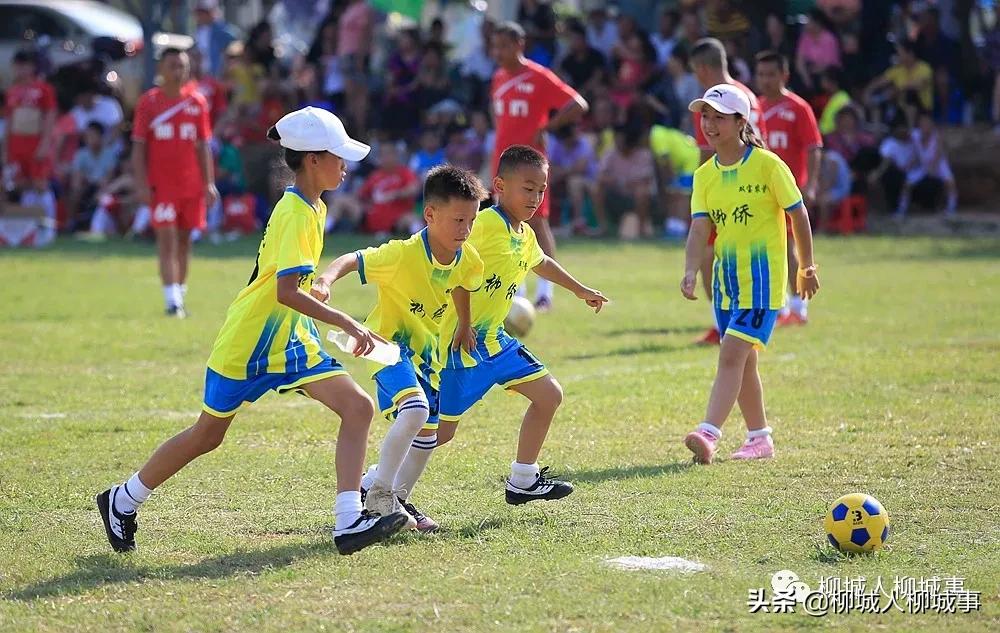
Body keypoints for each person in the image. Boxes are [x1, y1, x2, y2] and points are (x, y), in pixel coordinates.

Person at [96, 107, 409, 556]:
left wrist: (316, 288)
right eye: (338, 156)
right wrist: (345, 320)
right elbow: (283, 291)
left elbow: (290, 285)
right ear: (312, 159)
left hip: (291, 339)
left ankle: (347, 522)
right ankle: (122, 499)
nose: (345, 164)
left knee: (357, 408)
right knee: (208, 434)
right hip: (251, 341)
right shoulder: (297, 213)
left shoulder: (313, 206)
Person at [366, 145, 608, 529]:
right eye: (527, 188)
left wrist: (579, 289)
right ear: (499, 186)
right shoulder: (483, 225)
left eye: (541, 190)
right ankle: (379, 485)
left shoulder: (523, 233)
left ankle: (523, 479)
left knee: (549, 395)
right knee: (438, 434)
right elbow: (444, 241)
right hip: (462, 347)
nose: (535, 198)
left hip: (497, 341)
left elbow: (540, 261)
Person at [310, 166, 486, 531]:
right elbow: (353, 259)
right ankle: (380, 496)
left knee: (429, 433)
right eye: (458, 220)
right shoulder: (402, 254)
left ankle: (392, 496)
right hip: (385, 346)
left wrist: (465, 325)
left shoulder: (467, 257)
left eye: (472, 220)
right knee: (416, 410)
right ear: (430, 214)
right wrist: (326, 279)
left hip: (427, 355)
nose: (465, 230)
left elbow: (461, 285)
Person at [680, 84, 819, 463]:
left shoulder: (768, 165)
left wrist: (806, 266)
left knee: (730, 356)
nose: (709, 124)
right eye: (705, 116)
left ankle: (708, 433)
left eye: (718, 117)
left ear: (742, 122)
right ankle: (760, 438)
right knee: (744, 362)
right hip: (727, 284)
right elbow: (698, 229)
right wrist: (691, 269)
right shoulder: (705, 175)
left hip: (763, 284)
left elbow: (798, 214)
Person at [490, 21, 589, 312]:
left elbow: (578, 104)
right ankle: (515, 289)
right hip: (503, 163)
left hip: (531, 164)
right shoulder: (497, 78)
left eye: (504, 46)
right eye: (495, 46)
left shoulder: (538, 76)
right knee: (506, 224)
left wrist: (549, 126)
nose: (498, 52)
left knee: (536, 222)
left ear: (520, 45)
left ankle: (546, 292)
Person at [689, 38, 767, 345]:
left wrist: (700, 189)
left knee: (711, 255)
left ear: (703, 68)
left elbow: (706, 153)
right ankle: (740, 321)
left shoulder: (713, 105)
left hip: (726, 188)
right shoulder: (748, 96)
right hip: (754, 186)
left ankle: (722, 324)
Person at [132, 48, 218, 318]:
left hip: (191, 186)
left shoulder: (197, 102)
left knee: (184, 242)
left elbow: (203, 146)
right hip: (162, 186)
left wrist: (209, 183)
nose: (178, 71)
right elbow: (138, 148)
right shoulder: (149, 103)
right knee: (166, 239)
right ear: (161, 69)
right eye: (173, 66)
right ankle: (171, 302)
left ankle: (180, 295)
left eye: (182, 65)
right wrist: (141, 183)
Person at [755, 51, 823, 327]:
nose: (765, 80)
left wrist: (811, 183)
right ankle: (780, 305)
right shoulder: (754, 107)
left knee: (790, 246)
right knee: (767, 249)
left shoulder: (798, 108)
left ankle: (798, 306)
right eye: (760, 74)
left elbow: (813, 147)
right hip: (760, 191)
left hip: (790, 189)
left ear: (784, 75)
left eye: (771, 74)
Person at [4, 50, 56, 191]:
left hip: (35, 141)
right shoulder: (12, 91)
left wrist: (45, 143)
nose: (20, 70)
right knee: (16, 183)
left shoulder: (44, 89)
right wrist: (5, 147)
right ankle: (21, 212)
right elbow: (10, 119)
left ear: (32, 67)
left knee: (39, 183)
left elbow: (49, 116)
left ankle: (44, 211)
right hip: (16, 141)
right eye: (17, 66)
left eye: (24, 65)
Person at [897, 110, 958, 218]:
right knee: (907, 184)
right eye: (922, 122)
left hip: (939, 164)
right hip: (923, 164)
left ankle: (951, 209)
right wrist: (909, 164)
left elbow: (939, 153)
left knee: (950, 182)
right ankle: (901, 210)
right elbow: (916, 153)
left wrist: (933, 167)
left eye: (927, 122)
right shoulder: (915, 135)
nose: (925, 125)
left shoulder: (937, 135)